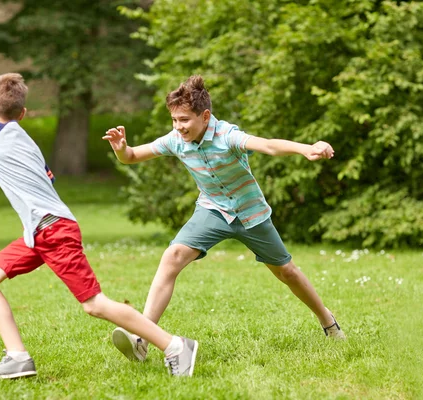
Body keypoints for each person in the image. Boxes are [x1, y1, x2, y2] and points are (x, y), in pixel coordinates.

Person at [0, 73, 198, 380]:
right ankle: (17, 358)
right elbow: (46, 179)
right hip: (40, 231)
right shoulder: (26, 141)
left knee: (94, 304)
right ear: (23, 114)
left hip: (52, 231)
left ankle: (175, 345)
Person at [103, 75, 345, 363]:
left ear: (205, 116)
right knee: (173, 256)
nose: (179, 127)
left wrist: (306, 148)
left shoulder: (227, 136)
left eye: (184, 120)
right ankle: (142, 338)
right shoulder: (176, 141)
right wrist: (120, 149)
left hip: (250, 213)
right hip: (212, 210)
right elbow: (131, 156)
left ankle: (328, 320)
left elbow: (267, 145)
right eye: (174, 120)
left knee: (287, 272)